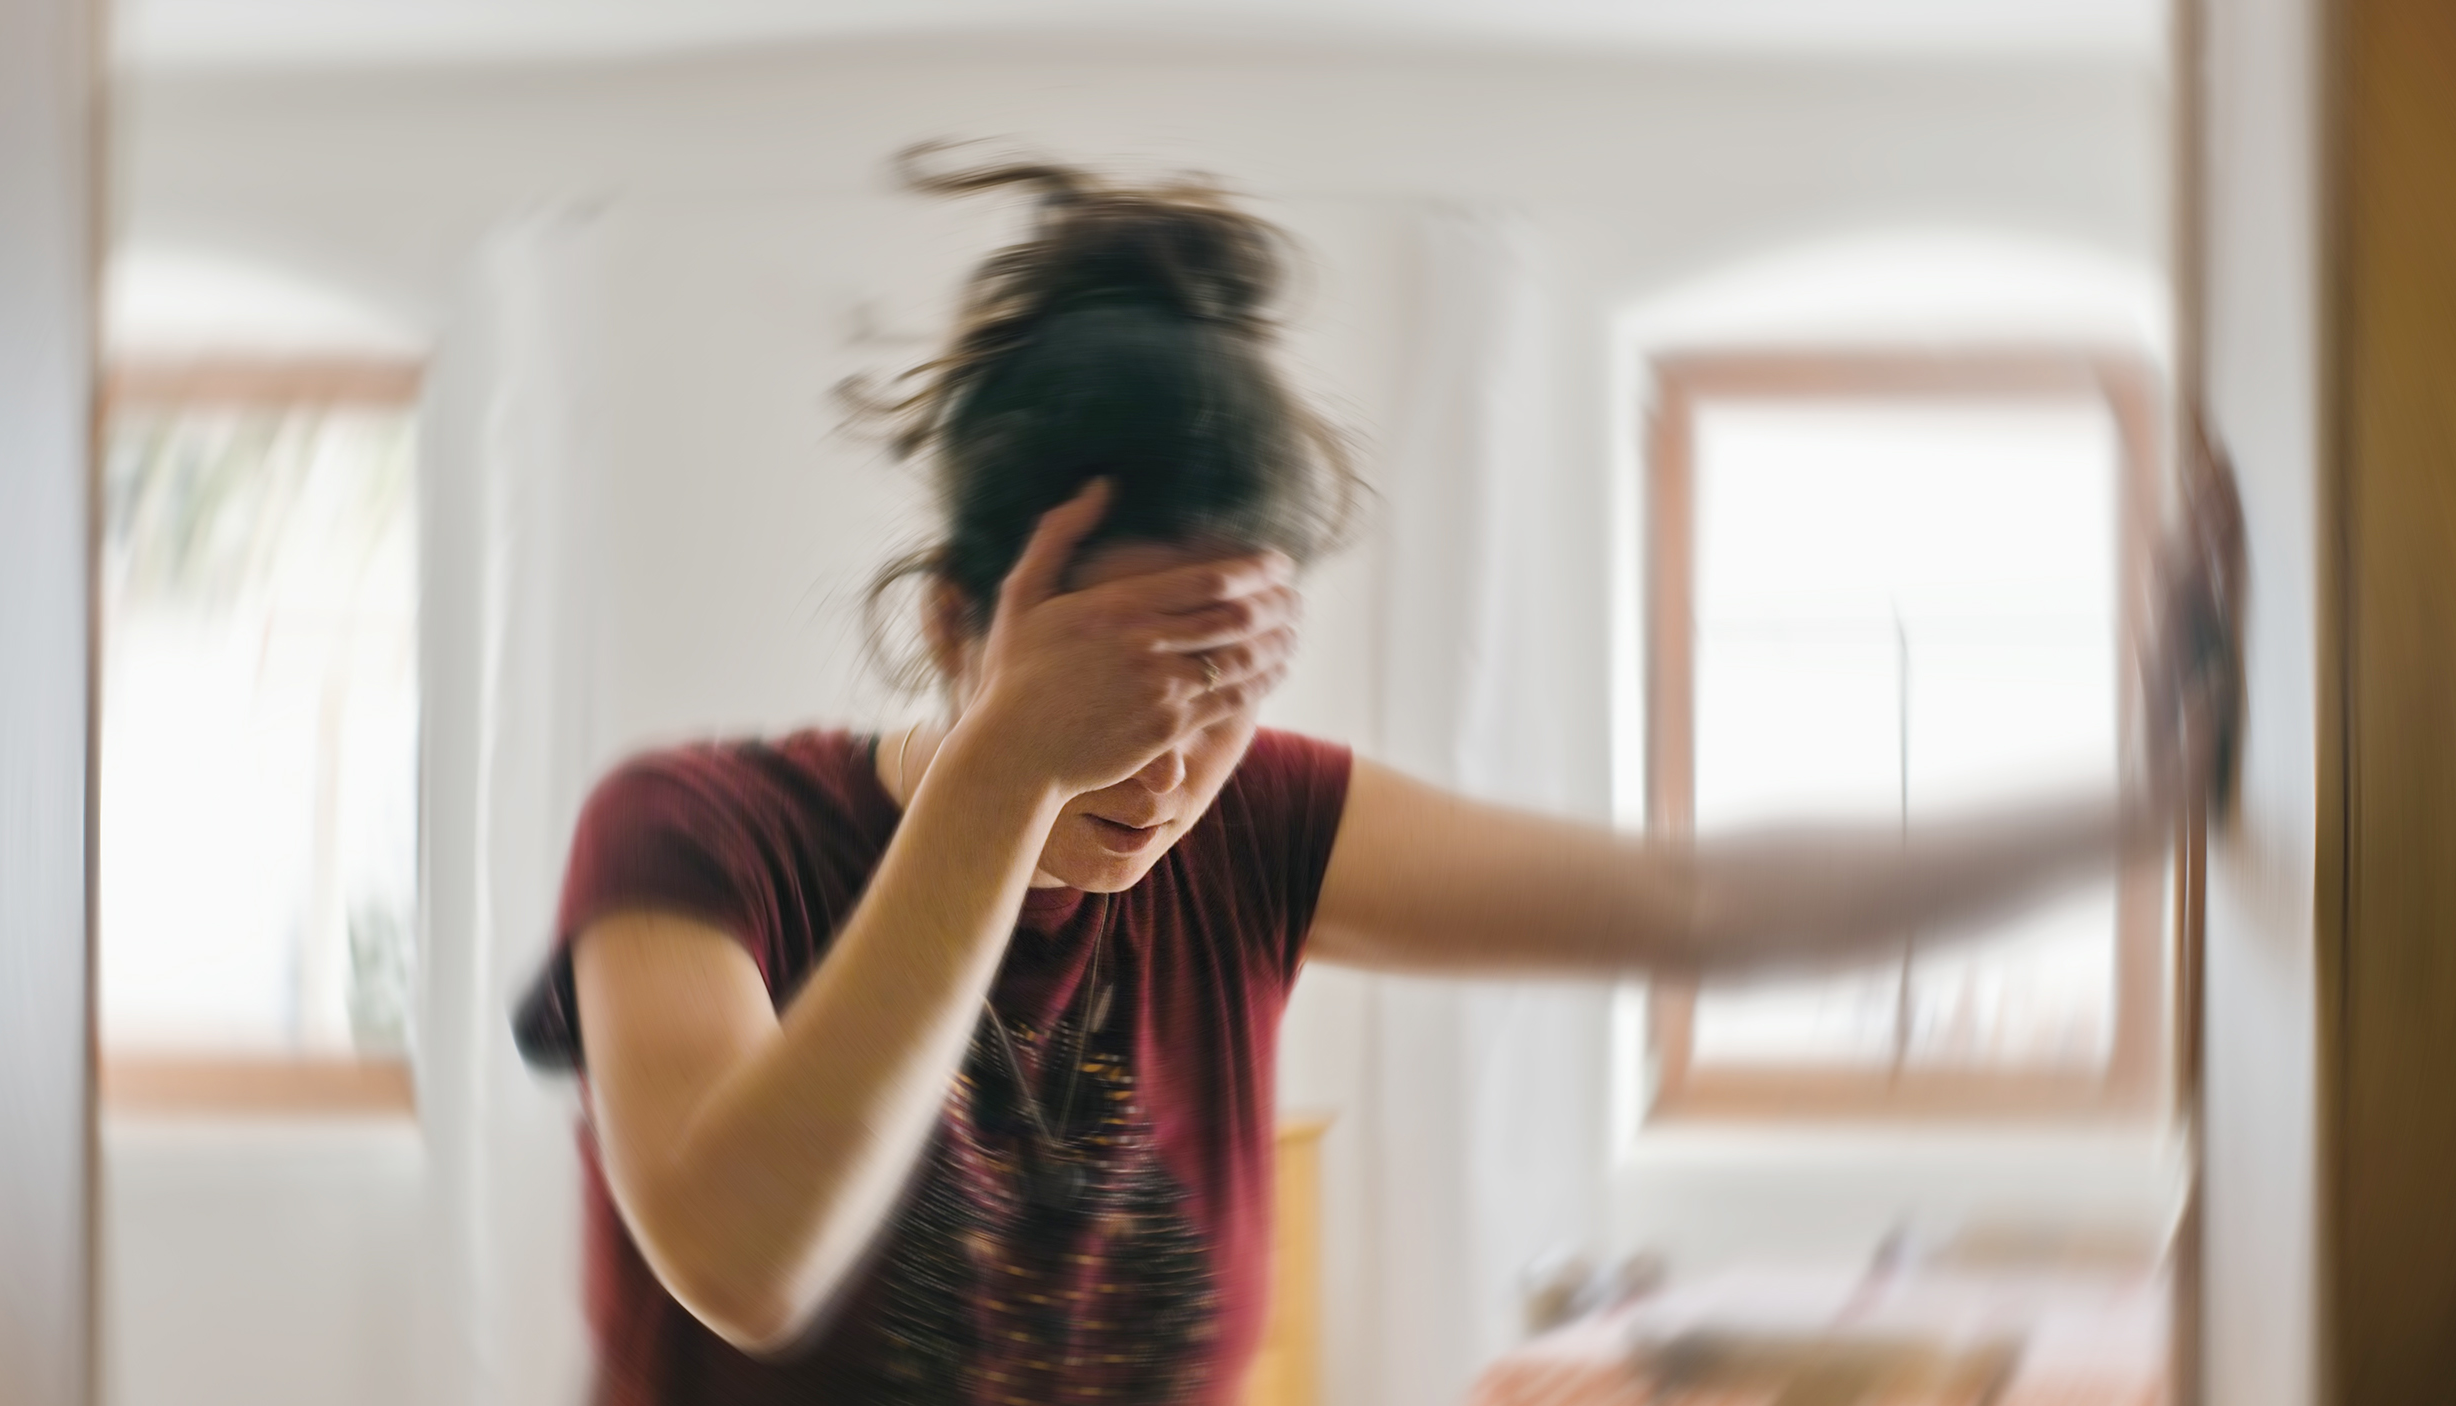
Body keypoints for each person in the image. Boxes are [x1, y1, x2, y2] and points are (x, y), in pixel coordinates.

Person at [512, 152, 2237, 1406]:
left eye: (1222, 686)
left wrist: (2144, 801)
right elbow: (748, 1263)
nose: (1164, 762)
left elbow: (1699, 902)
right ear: (961, 622)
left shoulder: (1261, 828)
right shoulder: (694, 834)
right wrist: (1009, 771)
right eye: (1108, 679)